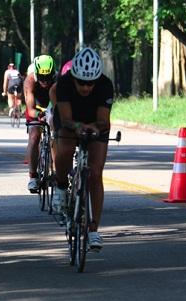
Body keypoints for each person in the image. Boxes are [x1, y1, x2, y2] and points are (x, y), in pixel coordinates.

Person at [53, 47, 113, 251]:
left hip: (96, 124)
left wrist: (94, 128)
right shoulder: (64, 83)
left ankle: (94, 230)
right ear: (74, 78)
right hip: (71, 121)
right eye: (82, 83)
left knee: (95, 173)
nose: (86, 88)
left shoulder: (105, 85)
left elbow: (104, 120)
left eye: (90, 83)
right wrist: (78, 126)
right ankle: (61, 187)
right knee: (65, 149)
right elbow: (67, 119)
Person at [24, 55, 57, 193]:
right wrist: (38, 115)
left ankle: (56, 171)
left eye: (48, 77)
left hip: (52, 104)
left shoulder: (58, 81)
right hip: (36, 108)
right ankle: (33, 176)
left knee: (57, 136)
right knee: (34, 136)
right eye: (41, 78)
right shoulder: (30, 80)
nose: (44, 81)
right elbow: (30, 109)